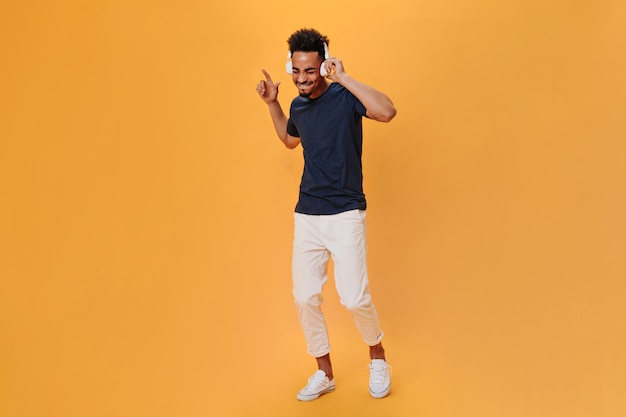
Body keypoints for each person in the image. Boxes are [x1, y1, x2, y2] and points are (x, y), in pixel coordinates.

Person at [256, 28, 397, 401]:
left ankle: (378, 355)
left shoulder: (344, 96)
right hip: (308, 214)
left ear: (324, 64)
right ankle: (324, 371)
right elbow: (290, 140)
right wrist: (273, 103)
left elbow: (387, 111)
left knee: (353, 298)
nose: (302, 78)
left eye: (310, 71)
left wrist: (344, 78)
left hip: (346, 212)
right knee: (304, 297)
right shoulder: (299, 106)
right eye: (297, 71)